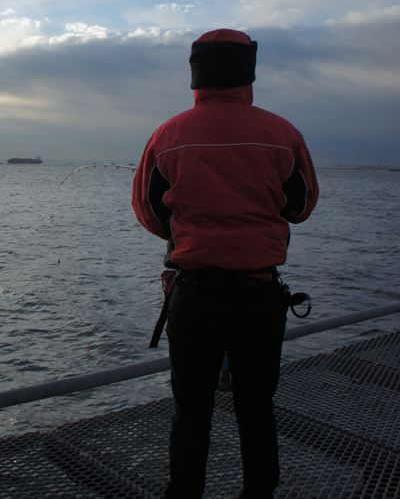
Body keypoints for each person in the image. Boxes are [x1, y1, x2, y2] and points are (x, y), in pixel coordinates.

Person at [131, 29, 318, 499]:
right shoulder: (283, 134)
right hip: (259, 299)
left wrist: (190, 233)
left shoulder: (167, 135)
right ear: (248, 73)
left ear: (195, 74)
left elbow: (149, 213)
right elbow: (300, 207)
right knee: (256, 409)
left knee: (190, 413)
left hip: (193, 298)